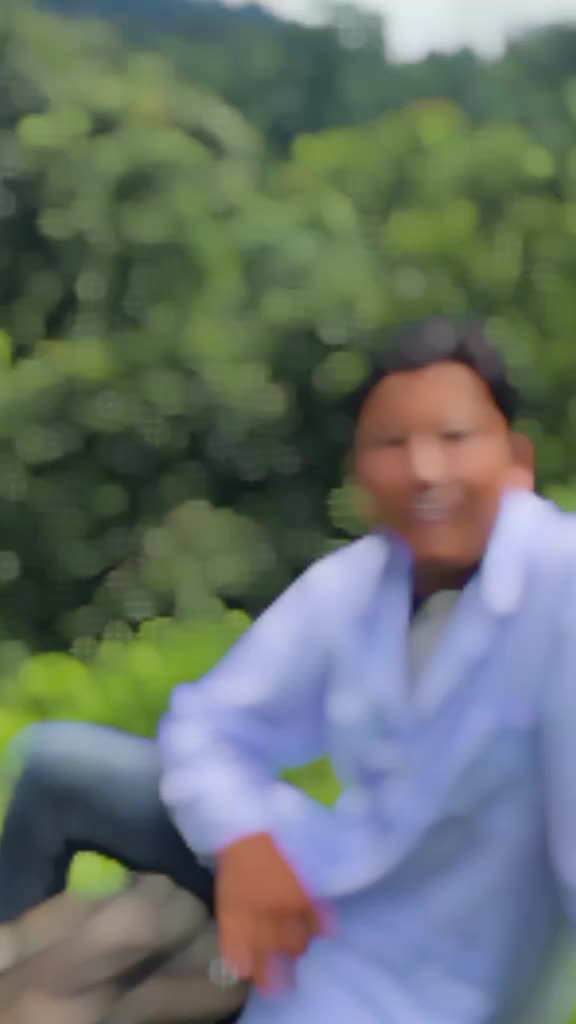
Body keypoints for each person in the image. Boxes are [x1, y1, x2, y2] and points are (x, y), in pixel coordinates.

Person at [0, 315, 570, 1024]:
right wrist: (244, 839)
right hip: (325, 886)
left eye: (454, 438)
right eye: (392, 443)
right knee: (57, 767)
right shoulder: (360, 582)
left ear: (516, 459)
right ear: (359, 471)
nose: (425, 470)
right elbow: (208, 725)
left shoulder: (560, 588)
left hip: (430, 980)